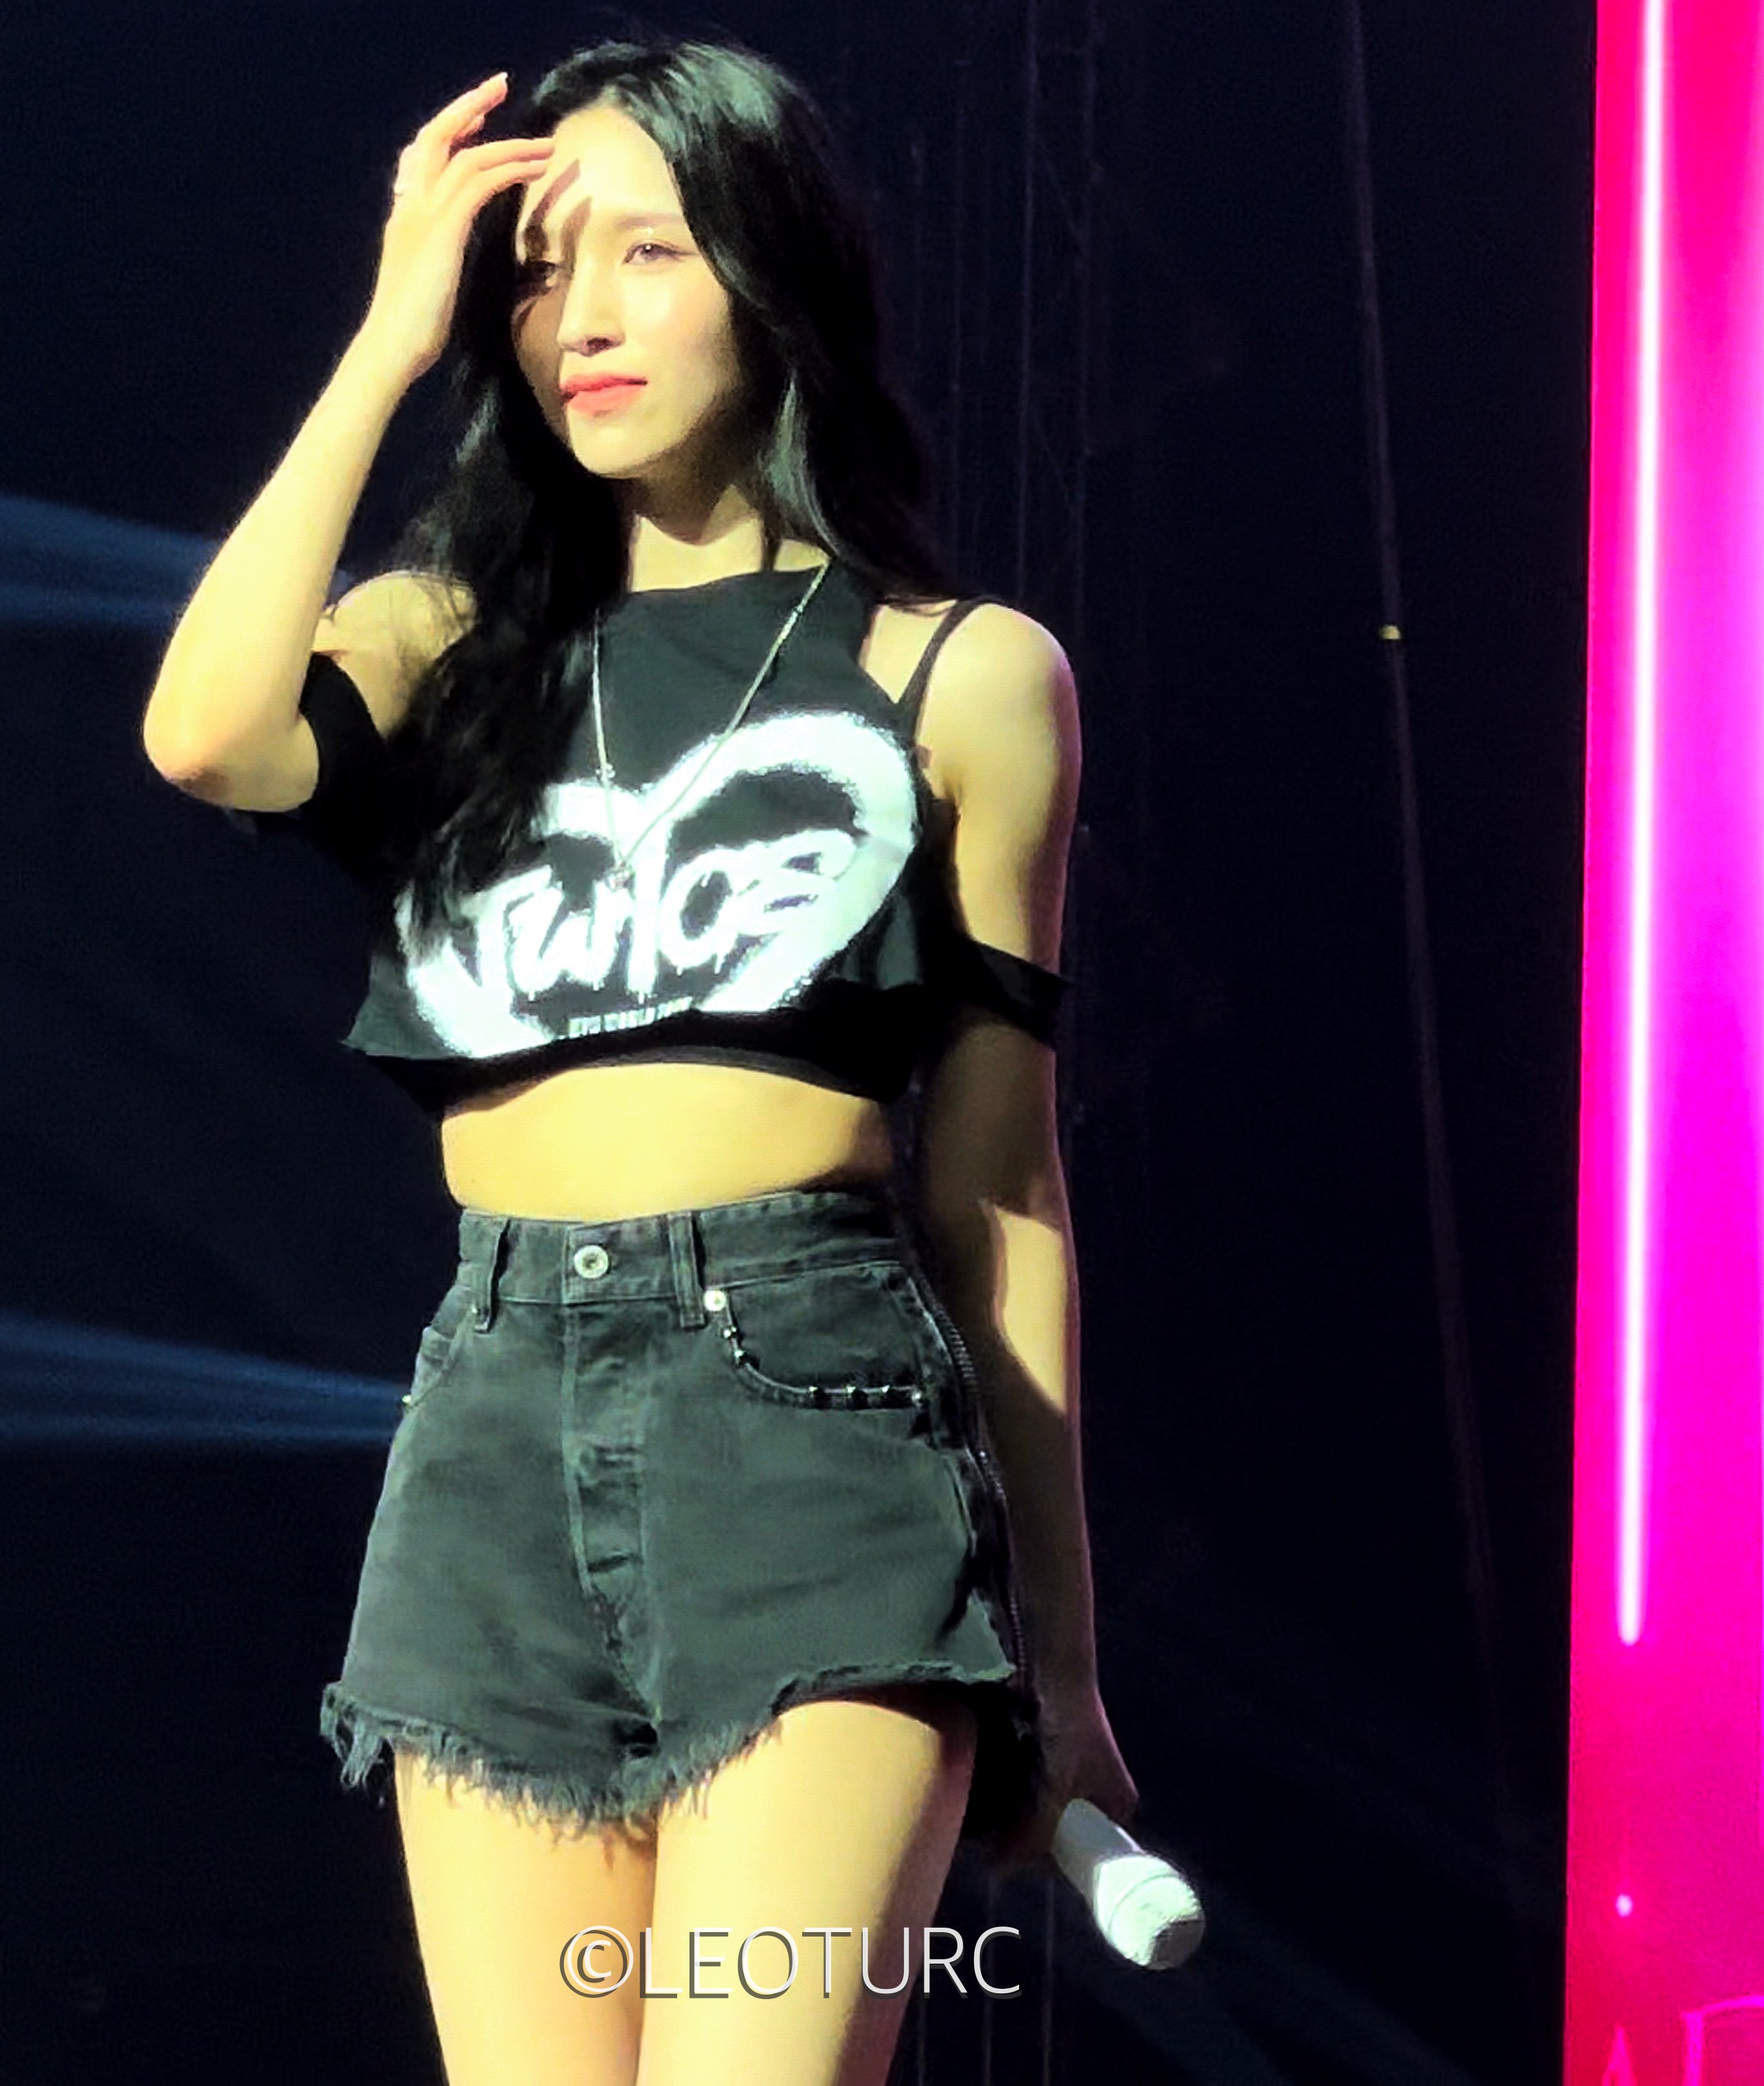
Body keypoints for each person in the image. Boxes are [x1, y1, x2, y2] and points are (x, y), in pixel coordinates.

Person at [143, 39, 1135, 2086]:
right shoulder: (445, 640)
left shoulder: (956, 674)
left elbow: (1000, 1193)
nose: (579, 316)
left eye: (650, 253)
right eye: (538, 269)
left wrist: (1064, 1656)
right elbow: (206, 732)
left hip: (809, 1427)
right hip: (491, 1433)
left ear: (772, 277)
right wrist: (390, 335)